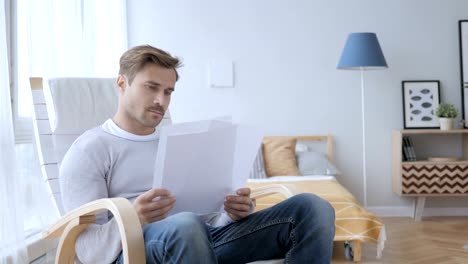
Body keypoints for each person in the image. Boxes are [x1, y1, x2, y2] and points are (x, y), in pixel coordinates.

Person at [60, 45, 335, 264]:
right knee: (186, 225)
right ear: (122, 83)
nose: (161, 101)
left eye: (168, 92)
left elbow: (209, 220)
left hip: (202, 240)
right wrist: (134, 218)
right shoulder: (90, 150)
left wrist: (231, 213)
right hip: (136, 253)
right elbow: (87, 250)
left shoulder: (180, 142)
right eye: (151, 87)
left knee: (313, 208)